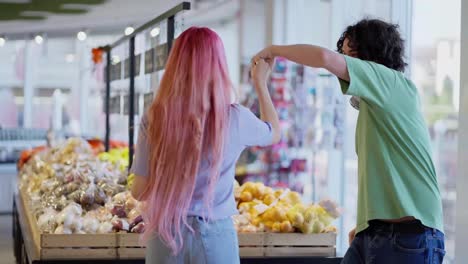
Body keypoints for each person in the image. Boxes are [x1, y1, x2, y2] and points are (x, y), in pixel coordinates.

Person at [253, 19, 444, 264]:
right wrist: (365, 223)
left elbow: (323, 57)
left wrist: (274, 50)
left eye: (348, 53)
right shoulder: (378, 103)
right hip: (379, 231)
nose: (343, 59)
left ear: (370, 52)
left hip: (408, 234)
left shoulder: (390, 82)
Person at [130, 27, 281, 264]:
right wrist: (260, 83)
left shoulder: (155, 116)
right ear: (219, 66)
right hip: (215, 237)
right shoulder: (235, 118)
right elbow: (274, 132)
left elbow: (139, 190)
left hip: (165, 236)